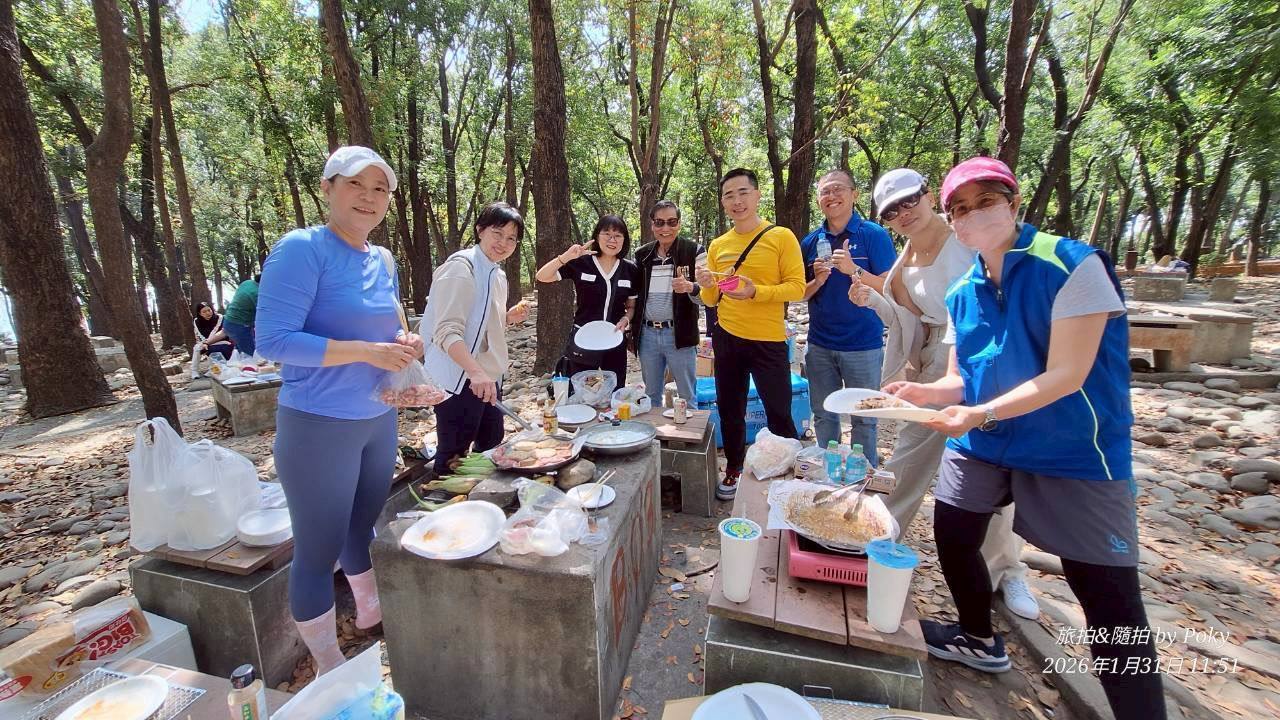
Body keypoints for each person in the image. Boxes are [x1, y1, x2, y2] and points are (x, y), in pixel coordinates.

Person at [887, 157, 1163, 717]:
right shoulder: (963, 291)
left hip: (1073, 446)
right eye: (961, 209)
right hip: (986, 441)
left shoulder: (1073, 264)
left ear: (1013, 203)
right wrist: (925, 393)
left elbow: (1068, 374)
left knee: (1107, 597)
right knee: (954, 532)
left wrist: (978, 412)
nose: (972, 216)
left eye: (985, 202)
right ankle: (977, 636)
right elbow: (961, 379)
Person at [256, 146, 445, 676]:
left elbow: (390, 326)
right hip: (318, 423)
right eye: (355, 184)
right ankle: (328, 664)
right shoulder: (302, 249)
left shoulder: (381, 259)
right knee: (317, 550)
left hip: (378, 417)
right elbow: (273, 340)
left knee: (362, 524)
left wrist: (406, 343)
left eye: (380, 188)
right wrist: (364, 352)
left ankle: (370, 613)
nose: (369, 197)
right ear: (327, 188)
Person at [851, 167, 1038, 620]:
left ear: (929, 195)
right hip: (934, 359)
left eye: (909, 201)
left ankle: (1006, 570)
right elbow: (908, 318)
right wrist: (873, 300)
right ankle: (877, 540)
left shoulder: (966, 240)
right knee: (909, 453)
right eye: (891, 211)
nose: (903, 213)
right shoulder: (906, 258)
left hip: (984, 359)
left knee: (990, 468)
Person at [695, 168, 806, 500]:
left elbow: (797, 288)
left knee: (779, 411)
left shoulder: (780, 237)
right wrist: (706, 285)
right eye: (729, 195)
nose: (737, 201)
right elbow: (711, 299)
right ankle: (734, 468)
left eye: (743, 192)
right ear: (723, 202)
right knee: (730, 410)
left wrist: (756, 291)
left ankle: (784, 477)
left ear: (757, 195)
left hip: (768, 340)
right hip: (727, 338)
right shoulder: (719, 245)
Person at [424, 202, 529, 476]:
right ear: (480, 230)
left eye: (511, 238)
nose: (503, 243)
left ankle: (481, 496)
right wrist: (475, 372)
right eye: (497, 233)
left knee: (491, 444)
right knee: (454, 455)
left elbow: (480, 324)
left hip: (487, 377)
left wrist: (507, 317)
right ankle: (444, 499)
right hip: (459, 380)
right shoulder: (461, 268)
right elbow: (446, 330)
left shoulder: (497, 274)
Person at [799, 169, 896, 464]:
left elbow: (891, 286)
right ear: (818, 200)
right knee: (823, 414)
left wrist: (854, 270)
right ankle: (829, 471)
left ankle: (862, 475)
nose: (832, 196)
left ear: (854, 194)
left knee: (864, 418)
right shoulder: (811, 242)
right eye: (825, 191)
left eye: (838, 189)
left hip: (863, 345)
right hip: (819, 345)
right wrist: (817, 280)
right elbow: (800, 293)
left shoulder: (873, 235)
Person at [535, 215, 639, 385]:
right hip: (584, 338)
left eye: (618, 235)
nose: (612, 240)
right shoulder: (581, 263)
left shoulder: (630, 269)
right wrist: (565, 257)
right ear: (597, 236)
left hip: (614, 339)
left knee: (615, 389)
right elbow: (542, 276)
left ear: (624, 240)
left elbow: (631, 306)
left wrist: (626, 319)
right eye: (607, 234)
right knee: (578, 389)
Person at [633, 200, 705, 409]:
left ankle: (690, 431)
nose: (666, 228)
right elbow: (634, 296)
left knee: (687, 396)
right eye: (660, 222)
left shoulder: (694, 251)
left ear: (679, 224)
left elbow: (707, 297)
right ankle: (655, 430)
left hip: (680, 333)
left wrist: (691, 287)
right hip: (647, 335)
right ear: (652, 225)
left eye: (672, 222)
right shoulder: (642, 255)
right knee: (651, 396)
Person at [190, 302, 234, 379]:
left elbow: (223, 334)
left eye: (209, 310)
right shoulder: (197, 321)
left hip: (221, 341)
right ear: (200, 313)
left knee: (210, 347)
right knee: (197, 348)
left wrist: (207, 343)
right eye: (204, 312)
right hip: (205, 342)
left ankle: (212, 369)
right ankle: (194, 370)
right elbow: (197, 335)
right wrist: (203, 343)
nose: (207, 313)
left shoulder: (220, 318)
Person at [222, 273, 260, 357]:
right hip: (239, 326)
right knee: (251, 355)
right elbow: (264, 313)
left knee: (242, 353)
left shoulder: (247, 283)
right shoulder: (257, 293)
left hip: (228, 321)